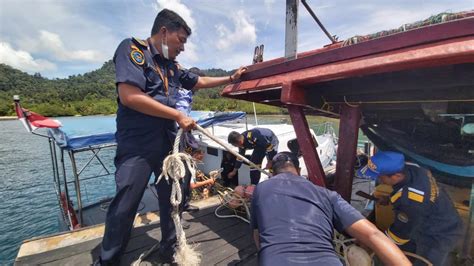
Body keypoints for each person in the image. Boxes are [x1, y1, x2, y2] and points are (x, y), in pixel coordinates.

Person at [97, 9, 246, 265]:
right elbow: (129, 96)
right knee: (126, 202)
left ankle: (170, 250)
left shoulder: (172, 66)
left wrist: (231, 77)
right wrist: (178, 115)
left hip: (167, 142)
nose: (183, 48)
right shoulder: (133, 50)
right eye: (181, 40)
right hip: (138, 143)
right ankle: (108, 260)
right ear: (164, 32)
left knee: (174, 199)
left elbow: (198, 81)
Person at [251, 152, 410, 266]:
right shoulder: (327, 195)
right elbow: (373, 234)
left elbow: (258, 235)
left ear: (272, 173)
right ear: (299, 171)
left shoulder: (260, 190)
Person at [358, 151, 463, 266]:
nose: (379, 181)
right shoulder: (414, 168)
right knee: (407, 249)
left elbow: (399, 235)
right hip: (434, 215)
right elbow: (408, 192)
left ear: (396, 176)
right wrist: (389, 199)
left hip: (440, 233)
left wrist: (372, 242)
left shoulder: (410, 202)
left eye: (380, 177)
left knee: (425, 262)